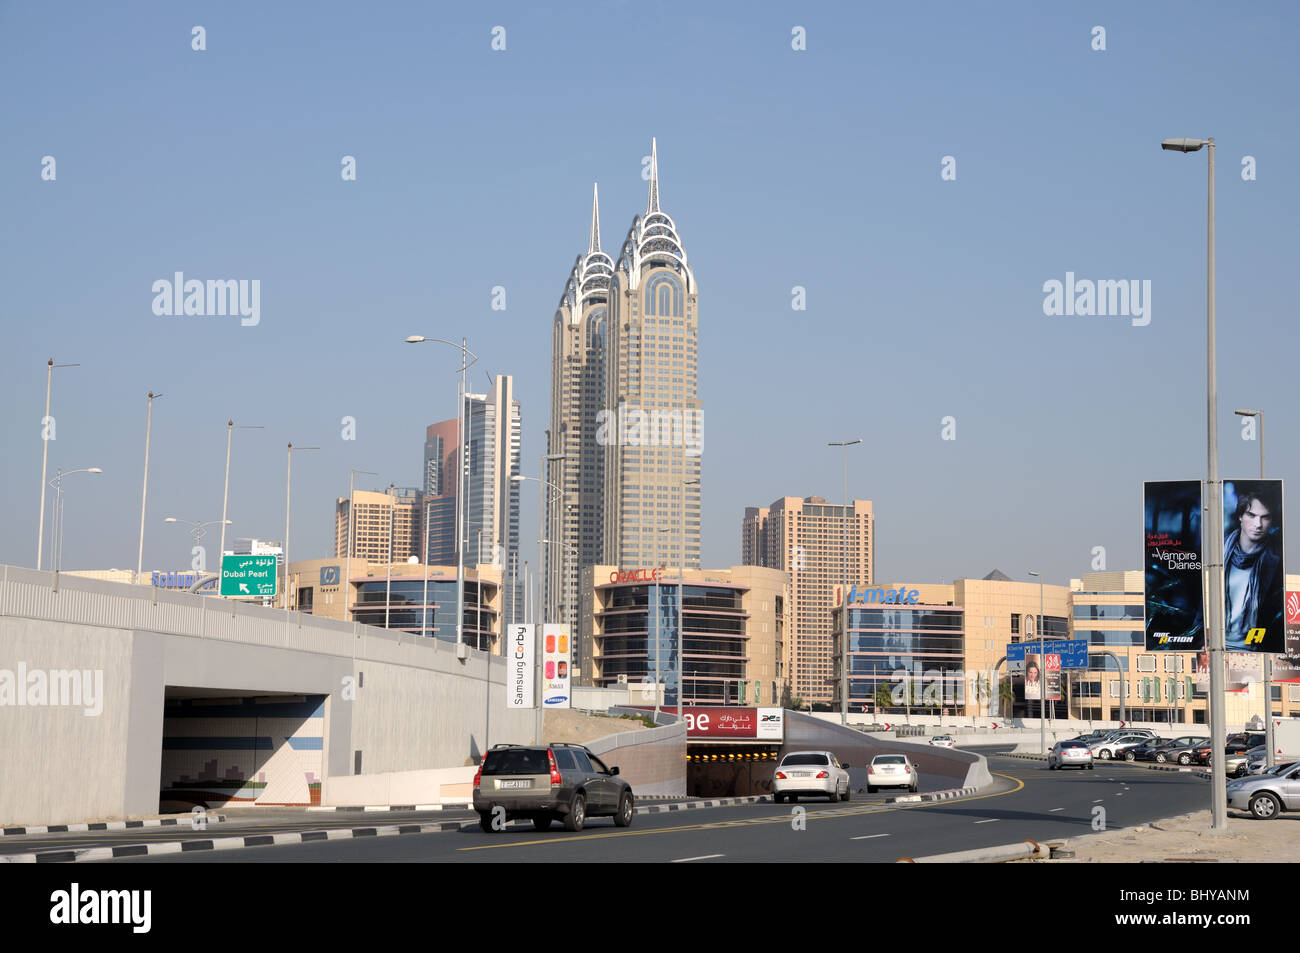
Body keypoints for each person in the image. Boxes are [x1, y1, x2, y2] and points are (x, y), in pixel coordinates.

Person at [1223, 489, 1282, 650]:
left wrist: (1251, 644)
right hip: (1214, 647)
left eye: (1265, 517)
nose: (1258, 524)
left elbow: (1274, 616)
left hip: (1253, 649)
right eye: (1251, 515)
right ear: (1240, 516)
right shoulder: (1218, 552)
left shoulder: (1278, 559)